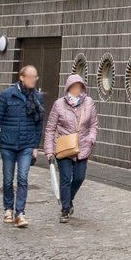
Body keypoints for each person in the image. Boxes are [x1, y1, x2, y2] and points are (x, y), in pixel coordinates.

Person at [0, 65, 47, 227]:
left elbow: (39, 124)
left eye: (35, 77)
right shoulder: (7, 95)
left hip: (27, 145)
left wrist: (35, 146)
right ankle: (8, 209)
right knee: (7, 180)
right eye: (31, 77)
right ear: (22, 77)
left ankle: (20, 213)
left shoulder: (37, 97)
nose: (33, 80)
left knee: (22, 178)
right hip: (8, 144)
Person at [45, 73, 99, 221]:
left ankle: (68, 199)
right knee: (65, 178)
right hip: (64, 147)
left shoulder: (88, 103)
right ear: (68, 88)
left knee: (79, 177)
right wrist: (49, 150)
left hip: (83, 147)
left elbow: (93, 124)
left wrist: (91, 138)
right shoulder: (59, 104)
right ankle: (65, 209)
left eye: (79, 87)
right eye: (73, 87)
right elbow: (50, 128)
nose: (76, 90)